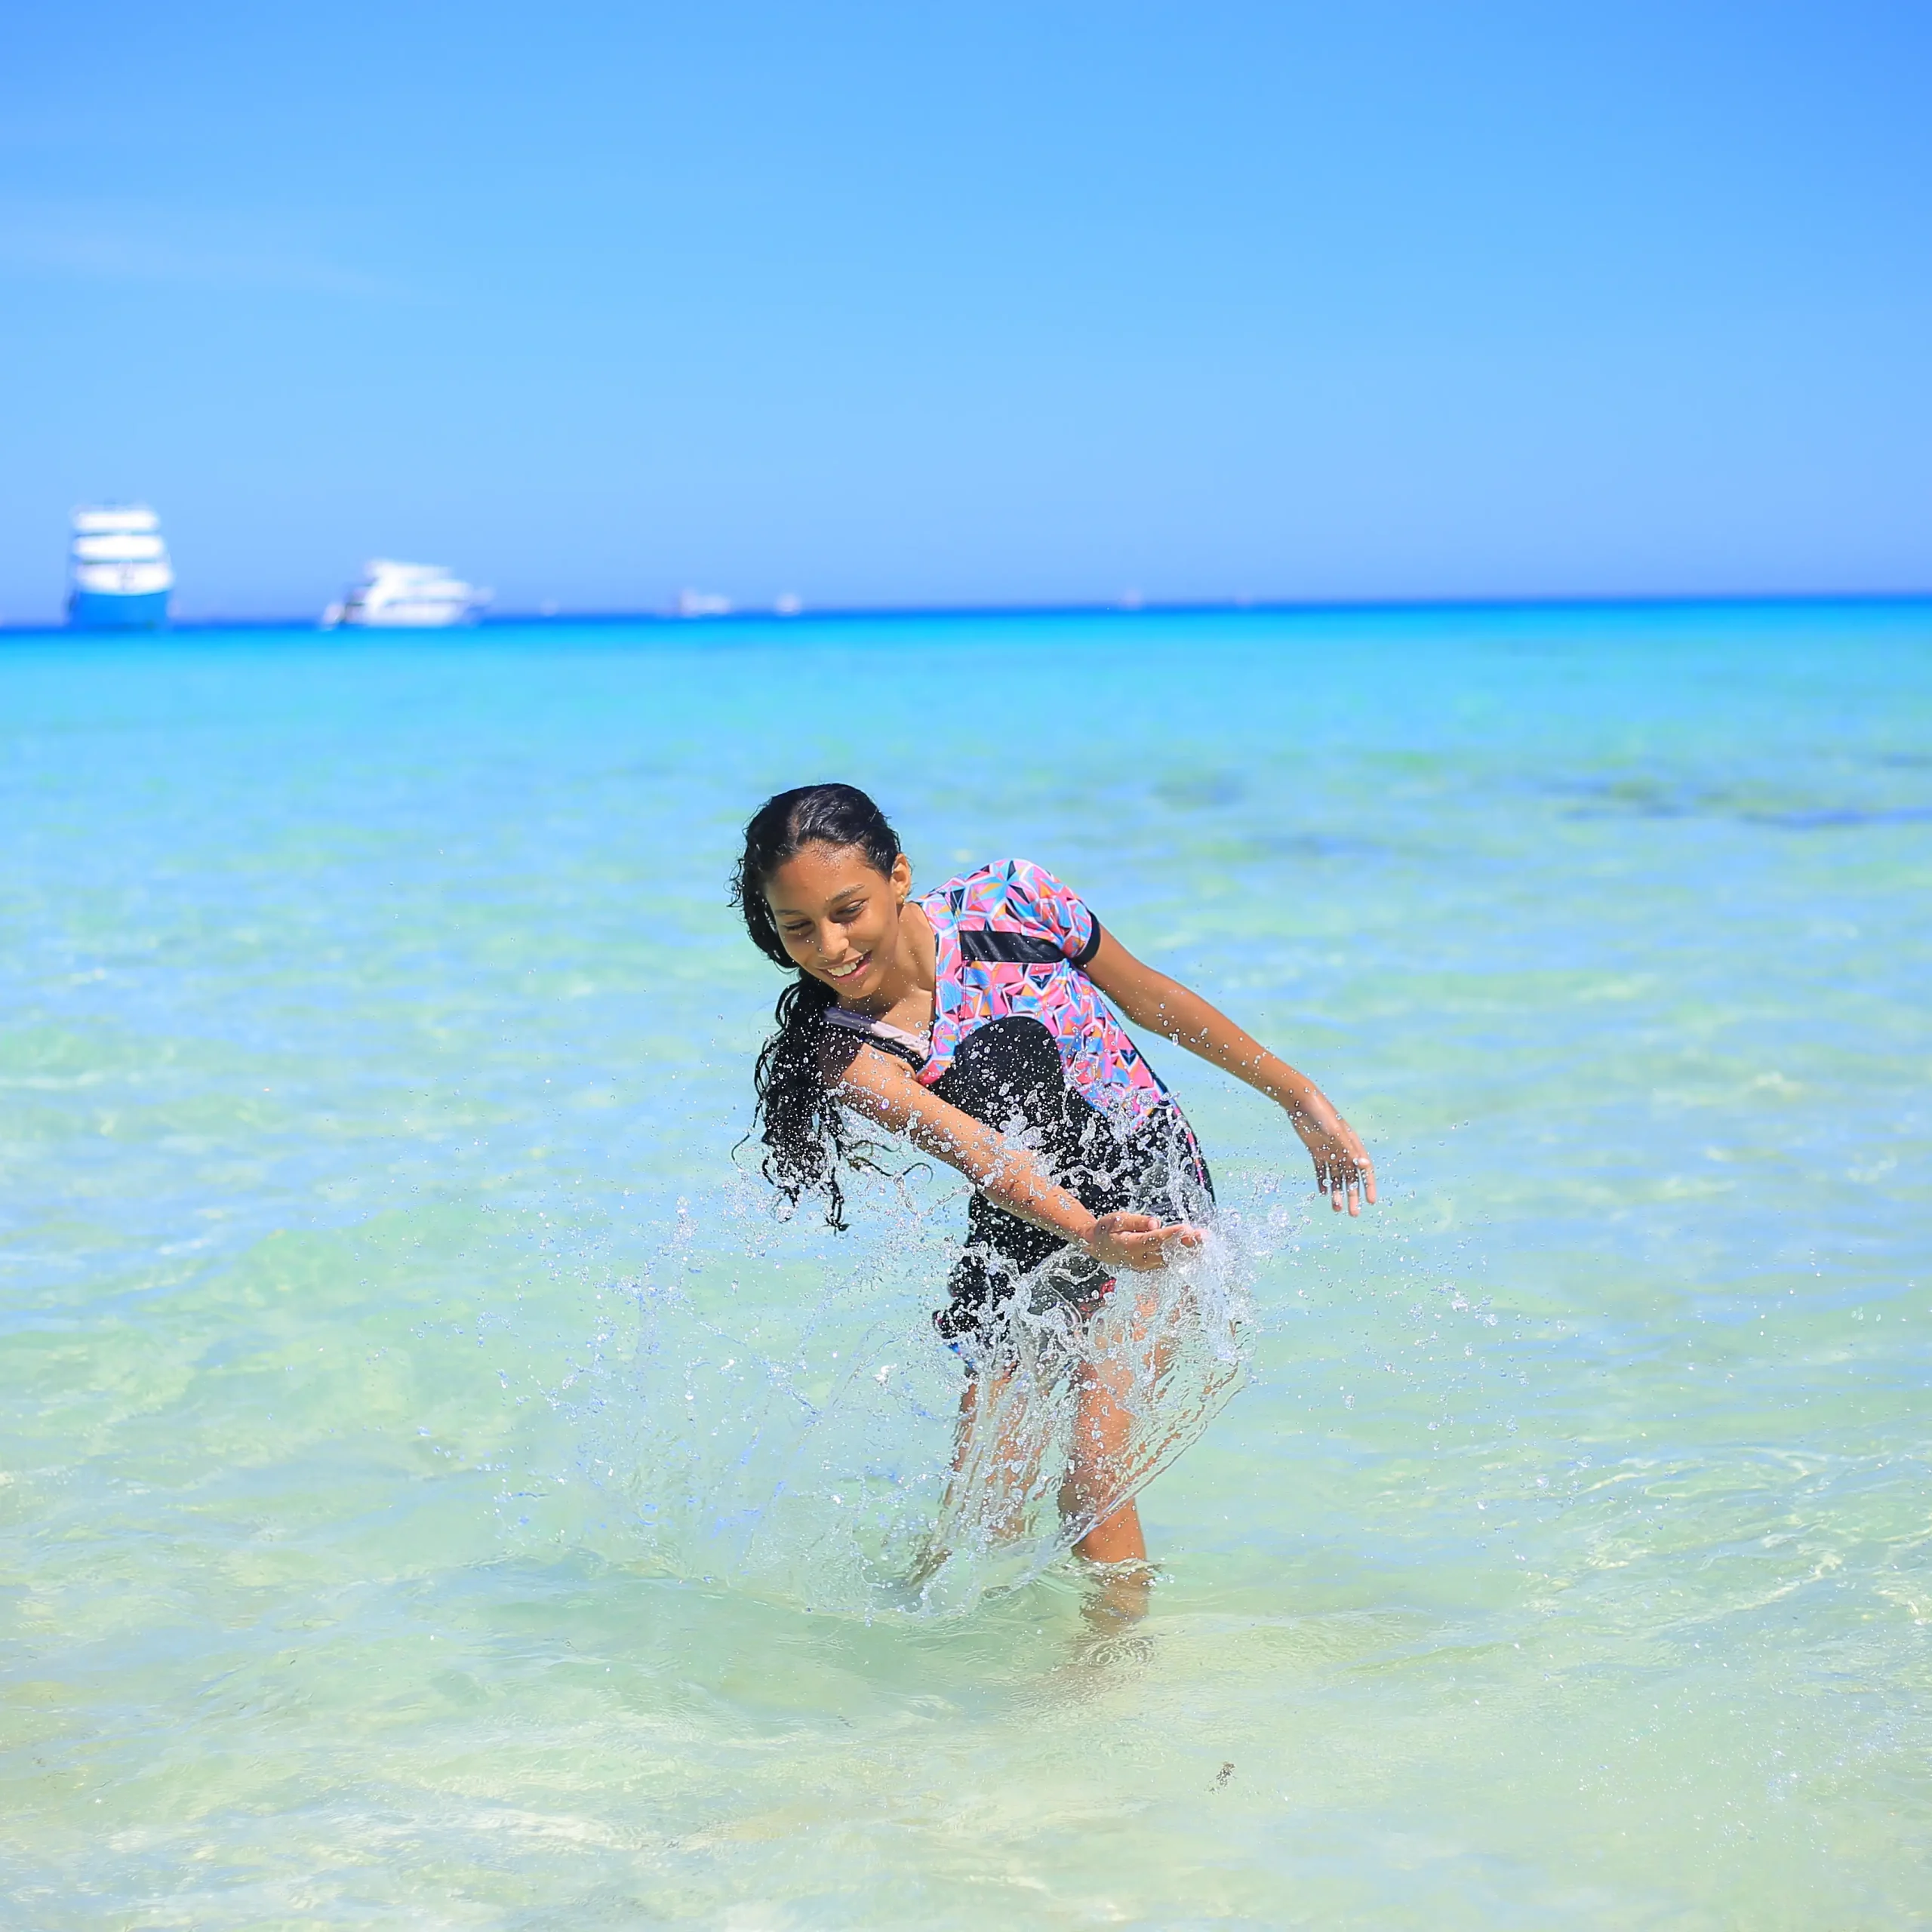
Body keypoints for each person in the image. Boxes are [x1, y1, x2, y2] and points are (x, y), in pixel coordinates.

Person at [730, 782, 1375, 1592]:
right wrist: (1084, 1231)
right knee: (980, 1516)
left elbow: (1148, 999)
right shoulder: (850, 1050)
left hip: (1152, 1199)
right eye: (798, 928)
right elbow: (990, 1161)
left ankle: (1111, 1684)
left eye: (847, 909)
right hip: (1023, 1234)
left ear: (898, 876)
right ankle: (927, 1691)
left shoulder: (1014, 902)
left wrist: (1296, 1094)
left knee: (1093, 1474)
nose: (830, 946)